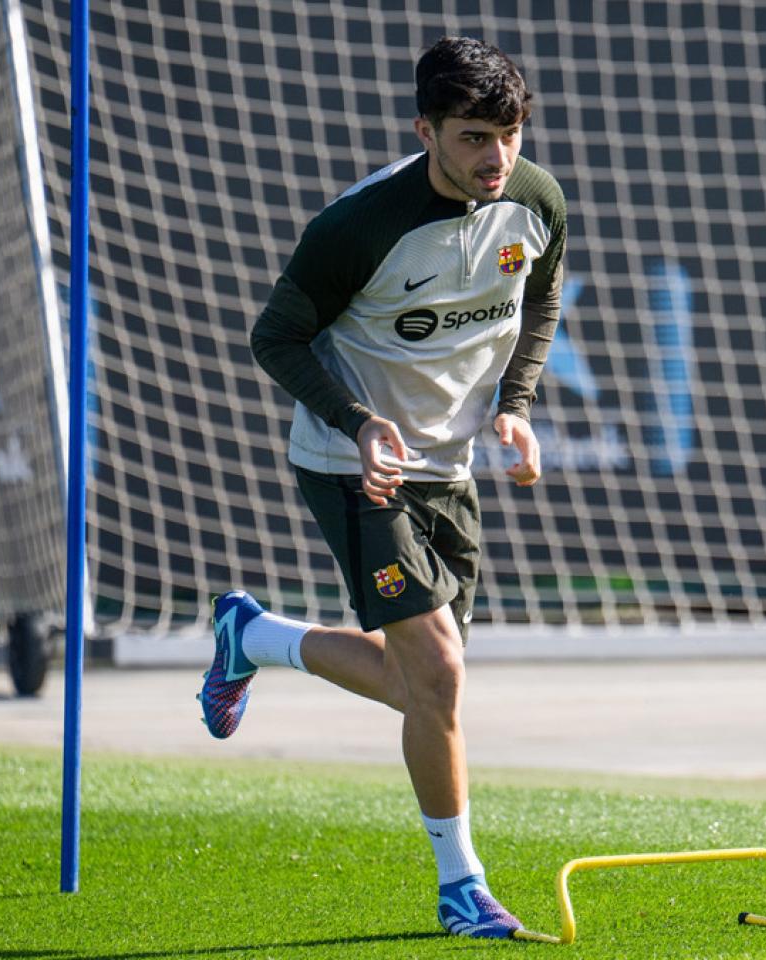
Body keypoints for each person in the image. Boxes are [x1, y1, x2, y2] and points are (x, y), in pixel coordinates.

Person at [197, 36, 566, 941]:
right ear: (425, 131)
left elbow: (542, 301)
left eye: (509, 135)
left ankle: (253, 636)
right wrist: (359, 423)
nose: (496, 157)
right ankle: (461, 889)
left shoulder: (536, 201)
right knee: (437, 677)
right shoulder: (358, 226)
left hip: (450, 469)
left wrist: (516, 407)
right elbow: (275, 337)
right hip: (353, 464)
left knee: (419, 688)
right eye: (473, 137)